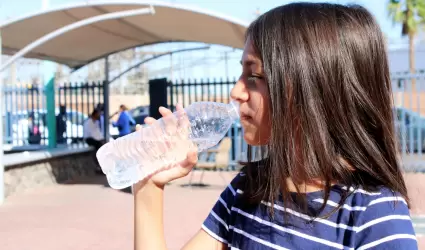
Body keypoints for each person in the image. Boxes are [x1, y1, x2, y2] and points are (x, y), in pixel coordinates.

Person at [133, 3, 418, 250]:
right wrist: (149, 187)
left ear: (314, 90)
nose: (236, 91)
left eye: (254, 76)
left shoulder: (374, 216)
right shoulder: (249, 188)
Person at [83, 109, 105, 173]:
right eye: (98, 114)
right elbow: (92, 133)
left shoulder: (96, 122)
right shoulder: (88, 122)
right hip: (89, 138)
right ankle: (99, 165)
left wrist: (102, 139)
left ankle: (102, 165)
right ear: (94, 114)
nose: (99, 116)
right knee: (99, 146)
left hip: (96, 139)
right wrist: (100, 140)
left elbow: (97, 132)